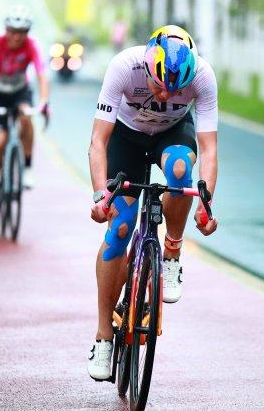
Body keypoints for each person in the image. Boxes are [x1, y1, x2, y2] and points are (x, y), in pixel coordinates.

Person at [86, 25, 219, 380]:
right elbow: (98, 142)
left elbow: (208, 148)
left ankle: (171, 253)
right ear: (146, 65)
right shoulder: (123, 66)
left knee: (180, 169)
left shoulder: (203, 76)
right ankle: (103, 336)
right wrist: (100, 196)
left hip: (172, 134)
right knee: (120, 228)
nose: (166, 94)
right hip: (125, 137)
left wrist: (206, 205)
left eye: (176, 89)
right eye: (159, 85)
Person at [0, 5, 50, 212]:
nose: (16, 37)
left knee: (26, 116)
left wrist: (44, 101)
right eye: (12, 31)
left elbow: (42, 74)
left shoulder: (32, 46)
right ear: (5, 30)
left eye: (22, 32)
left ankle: (27, 166)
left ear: (27, 33)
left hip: (19, 92)